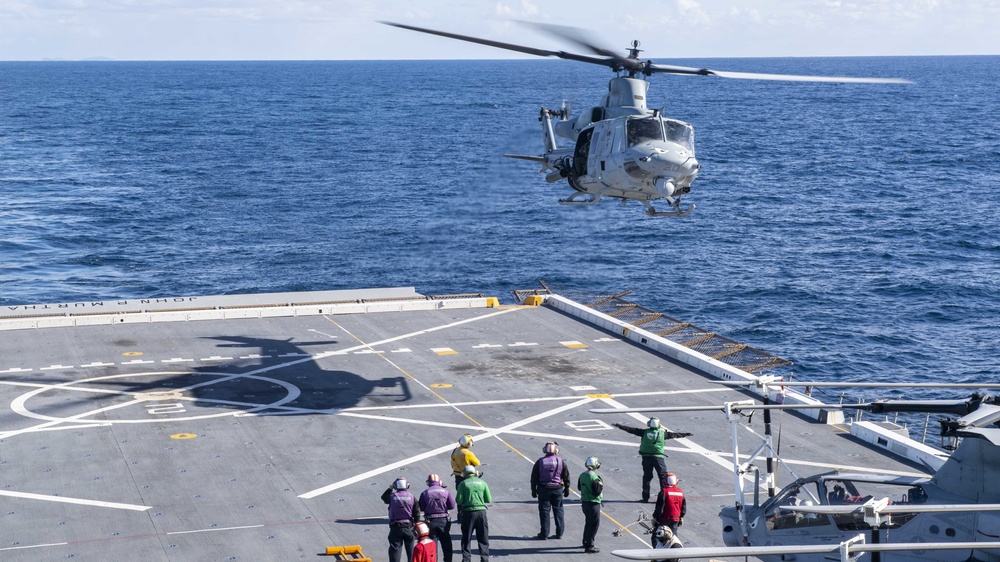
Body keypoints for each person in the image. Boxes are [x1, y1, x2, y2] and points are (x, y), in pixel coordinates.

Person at [613, 417, 692, 502]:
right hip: (658, 458)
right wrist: (686, 434)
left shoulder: (644, 432)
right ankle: (664, 498)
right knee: (663, 478)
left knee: (647, 477)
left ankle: (645, 497)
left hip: (646, 458)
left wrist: (619, 426)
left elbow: (631, 429)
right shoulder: (663, 434)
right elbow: (675, 435)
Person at [530, 441, 570, 540]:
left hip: (544, 489)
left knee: (544, 511)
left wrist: (533, 490)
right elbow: (566, 476)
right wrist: (567, 488)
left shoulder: (540, 461)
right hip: (557, 489)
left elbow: (534, 477)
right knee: (559, 510)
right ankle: (560, 532)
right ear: (556, 450)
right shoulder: (560, 461)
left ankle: (544, 534)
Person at [381, 476, 422, 562]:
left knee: (395, 551)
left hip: (395, 527)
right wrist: (417, 526)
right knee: (411, 552)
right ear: (407, 485)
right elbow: (417, 513)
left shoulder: (392, 496)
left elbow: (384, 497)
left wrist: (390, 488)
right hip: (409, 528)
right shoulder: (411, 497)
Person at [455, 465, 491, 562]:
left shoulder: (463, 484)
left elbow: (459, 500)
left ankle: (466, 559)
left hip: (468, 513)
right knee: (483, 538)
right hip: (481, 513)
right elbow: (488, 499)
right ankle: (484, 559)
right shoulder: (482, 483)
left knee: (466, 538)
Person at [419, 473, 456, 562]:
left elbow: (421, 508)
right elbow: (452, 506)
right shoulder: (445, 491)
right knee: (446, 544)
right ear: (439, 482)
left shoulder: (425, 493)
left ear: (428, 482)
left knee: (432, 546)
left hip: (430, 521)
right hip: (443, 521)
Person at [577, 455, 604, 554]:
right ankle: (590, 545)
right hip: (593, 504)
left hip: (584, 502)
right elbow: (597, 492)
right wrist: (601, 486)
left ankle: (585, 541)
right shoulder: (595, 477)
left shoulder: (582, 475)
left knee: (588, 522)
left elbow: (579, 487)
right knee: (594, 525)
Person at [451, 433, 481, 520]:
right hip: (467, 476)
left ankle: (460, 515)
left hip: (457, 476)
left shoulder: (455, 450)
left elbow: (452, 462)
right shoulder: (468, 453)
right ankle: (468, 515)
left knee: (460, 495)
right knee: (469, 496)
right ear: (467, 443)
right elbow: (477, 463)